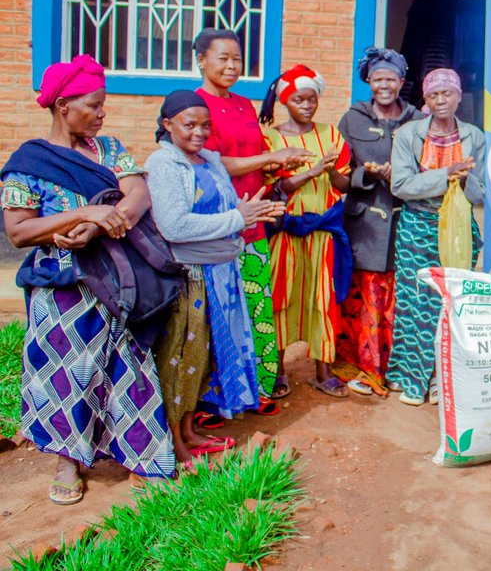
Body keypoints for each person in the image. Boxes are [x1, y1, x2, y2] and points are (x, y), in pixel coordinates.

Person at [2, 55, 175, 501]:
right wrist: (82, 212)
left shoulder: (110, 150)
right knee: (66, 373)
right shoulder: (28, 162)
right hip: (62, 288)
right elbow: (19, 231)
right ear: (63, 105)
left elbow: (139, 192)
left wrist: (100, 224)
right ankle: (67, 462)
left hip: (118, 280)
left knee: (130, 365)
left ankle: (141, 455)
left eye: (103, 105)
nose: (102, 114)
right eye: (94, 106)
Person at [145, 91, 285, 467]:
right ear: (167, 124)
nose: (199, 132)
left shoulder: (209, 160)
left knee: (203, 357)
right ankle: (173, 442)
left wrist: (251, 212)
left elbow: (230, 211)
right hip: (188, 276)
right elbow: (174, 226)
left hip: (221, 273)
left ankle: (190, 430)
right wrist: (239, 218)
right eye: (189, 124)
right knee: (179, 357)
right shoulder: (164, 164)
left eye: (205, 125)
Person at [194, 28, 312, 404]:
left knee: (257, 306)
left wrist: (283, 167)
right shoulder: (195, 107)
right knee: (220, 315)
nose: (231, 66)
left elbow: (258, 157)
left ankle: (255, 388)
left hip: (255, 220)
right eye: (222, 58)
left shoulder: (245, 106)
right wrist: (270, 158)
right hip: (217, 224)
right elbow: (213, 162)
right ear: (201, 60)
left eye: (237, 59)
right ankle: (215, 397)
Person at [387, 68, 485, 406]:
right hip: (418, 226)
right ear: (425, 100)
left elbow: (479, 193)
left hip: (458, 229)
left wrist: (466, 177)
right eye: (434, 95)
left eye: (448, 93)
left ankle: (440, 379)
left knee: (451, 303)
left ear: (459, 96)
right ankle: (412, 378)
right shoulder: (408, 135)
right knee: (416, 302)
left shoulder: (474, 136)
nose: (441, 100)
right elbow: (399, 185)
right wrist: (446, 175)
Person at [336, 48, 425, 396]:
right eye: (377, 79)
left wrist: (402, 175)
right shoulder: (353, 119)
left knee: (403, 294)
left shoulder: (419, 120)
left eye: (391, 78)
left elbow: (428, 165)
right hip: (366, 221)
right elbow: (339, 175)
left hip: (408, 218)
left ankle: (400, 368)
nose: (384, 85)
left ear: (402, 82)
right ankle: (365, 366)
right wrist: (366, 174)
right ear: (368, 82)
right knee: (367, 294)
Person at [260, 65, 353, 398]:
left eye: (311, 99)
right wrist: (313, 170)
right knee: (282, 297)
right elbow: (276, 187)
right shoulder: (270, 139)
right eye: (299, 99)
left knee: (323, 299)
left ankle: (322, 371)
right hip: (287, 231)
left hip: (323, 230)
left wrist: (334, 171)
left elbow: (343, 182)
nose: (307, 105)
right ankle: (278, 370)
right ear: (286, 101)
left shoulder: (331, 134)